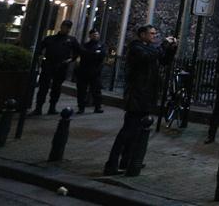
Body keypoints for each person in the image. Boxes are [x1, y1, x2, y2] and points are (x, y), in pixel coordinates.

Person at [104, 25, 177, 175]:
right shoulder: (136, 48)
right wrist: (163, 45)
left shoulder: (149, 48)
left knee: (136, 132)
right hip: (137, 95)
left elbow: (163, 60)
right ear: (142, 34)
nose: (154, 36)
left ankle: (127, 161)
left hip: (146, 95)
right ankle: (112, 164)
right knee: (127, 131)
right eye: (151, 34)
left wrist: (171, 49)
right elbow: (148, 56)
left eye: (155, 34)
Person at [30, 19, 80, 115]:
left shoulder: (71, 40)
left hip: (61, 66)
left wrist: (70, 60)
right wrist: (41, 58)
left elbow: (77, 51)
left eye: (68, 27)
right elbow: (39, 49)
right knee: (43, 87)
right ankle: (38, 107)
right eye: (65, 26)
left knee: (56, 88)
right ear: (61, 26)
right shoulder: (50, 38)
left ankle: (52, 107)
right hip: (48, 64)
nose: (66, 29)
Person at [76, 28, 107, 114]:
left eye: (96, 34)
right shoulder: (85, 45)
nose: (95, 36)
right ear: (90, 36)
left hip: (95, 72)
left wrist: (90, 54)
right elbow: (83, 54)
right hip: (84, 71)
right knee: (82, 91)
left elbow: (102, 55)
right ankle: (81, 108)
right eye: (94, 34)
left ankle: (97, 107)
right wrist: (94, 54)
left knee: (96, 91)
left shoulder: (101, 45)